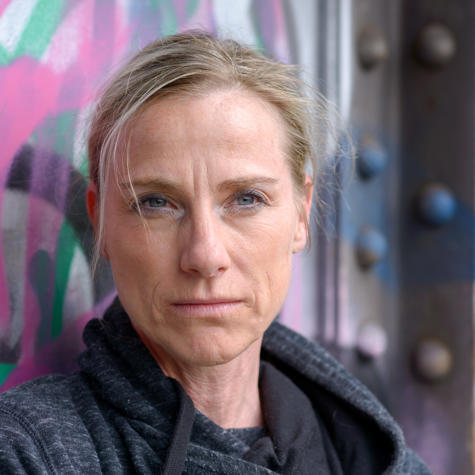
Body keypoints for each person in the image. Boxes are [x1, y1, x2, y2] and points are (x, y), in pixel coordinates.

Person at [0, 31, 430, 474]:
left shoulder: (370, 452)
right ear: (101, 221)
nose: (205, 255)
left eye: (246, 198)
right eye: (155, 203)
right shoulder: (28, 454)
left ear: (301, 215)